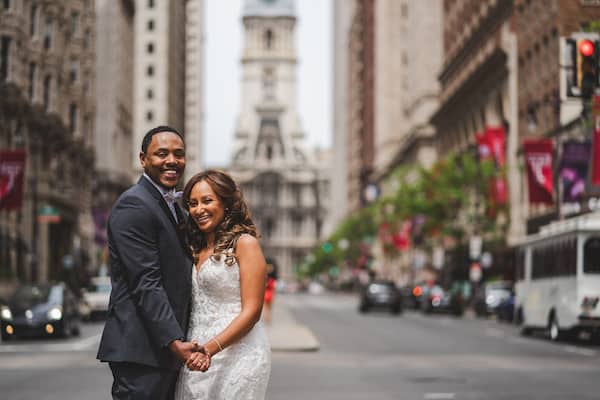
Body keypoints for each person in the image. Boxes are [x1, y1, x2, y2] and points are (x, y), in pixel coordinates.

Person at [97, 126, 207, 400]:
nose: (172, 160)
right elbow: (146, 282)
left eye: (179, 154)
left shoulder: (172, 205)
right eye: (162, 153)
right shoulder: (134, 205)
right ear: (143, 159)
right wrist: (174, 342)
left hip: (161, 351)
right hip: (143, 351)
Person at [175, 170, 271, 400]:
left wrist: (210, 348)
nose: (199, 209)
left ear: (226, 203)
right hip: (195, 355)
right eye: (193, 203)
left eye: (207, 201)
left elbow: (252, 311)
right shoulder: (193, 248)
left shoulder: (245, 243)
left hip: (238, 354)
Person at [262, 258, 278, 324]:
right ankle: (267, 318)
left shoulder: (267, 277)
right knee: (267, 307)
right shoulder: (271, 278)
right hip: (269, 293)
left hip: (268, 293)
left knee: (267, 307)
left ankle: (267, 318)